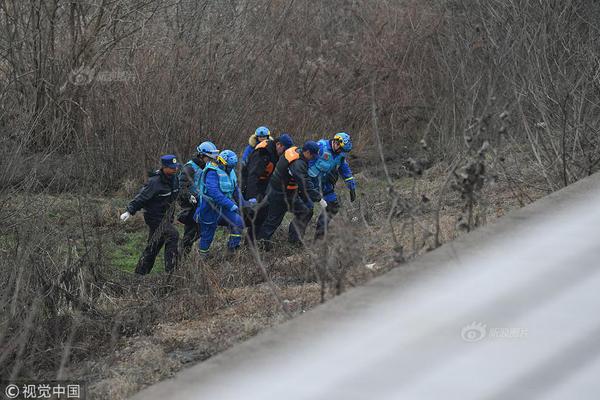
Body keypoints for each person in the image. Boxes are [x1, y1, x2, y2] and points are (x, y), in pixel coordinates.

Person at [120, 155, 180, 275]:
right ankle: (171, 273)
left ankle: (139, 274)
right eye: (172, 168)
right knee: (173, 235)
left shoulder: (174, 179)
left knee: (153, 246)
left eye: (176, 167)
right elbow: (141, 198)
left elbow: (177, 194)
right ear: (164, 167)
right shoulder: (154, 182)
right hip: (154, 218)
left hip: (166, 218)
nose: (175, 169)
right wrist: (129, 211)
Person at [256, 141, 323, 248]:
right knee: (273, 220)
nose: (313, 158)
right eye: (313, 155)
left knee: (305, 212)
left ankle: (295, 240)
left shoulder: (296, 151)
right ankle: (261, 245)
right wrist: (318, 198)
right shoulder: (298, 163)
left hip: (288, 192)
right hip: (280, 194)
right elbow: (305, 183)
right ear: (307, 152)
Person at [243, 133, 294, 241]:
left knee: (263, 214)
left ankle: (252, 242)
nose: (285, 153)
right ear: (279, 145)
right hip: (251, 184)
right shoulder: (263, 153)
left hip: (263, 185)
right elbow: (253, 175)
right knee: (249, 215)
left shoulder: (276, 153)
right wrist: (251, 197)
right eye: (284, 149)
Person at [193, 150, 245, 257]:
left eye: (232, 167)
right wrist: (232, 206)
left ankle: (231, 251)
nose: (230, 169)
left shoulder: (230, 171)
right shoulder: (212, 172)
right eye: (229, 167)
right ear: (222, 162)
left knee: (238, 222)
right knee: (208, 235)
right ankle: (203, 258)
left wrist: (243, 203)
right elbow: (214, 193)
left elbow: (235, 189)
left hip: (224, 207)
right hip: (209, 207)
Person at [308, 132, 357, 239]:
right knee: (306, 210)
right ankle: (295, 241)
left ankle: (319, 237)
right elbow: (307, 162)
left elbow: (345, 170)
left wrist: (351, 187)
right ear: (336, 142)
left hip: (325, 185)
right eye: (342, 150)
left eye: (344, 151)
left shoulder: (340, 155)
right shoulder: (320, 147)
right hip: (309, 184)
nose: (342, 153)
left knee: (333, 206)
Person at [178, 141, 219, 256]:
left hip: (202, 204)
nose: (210, 161)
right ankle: (180, 258)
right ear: (201, 156)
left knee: (199, 231)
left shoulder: (207, 167)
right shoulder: (190, 168)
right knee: (190, 233)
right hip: (191, 205)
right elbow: (181, 186)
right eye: (208, 158)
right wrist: (189, 196)